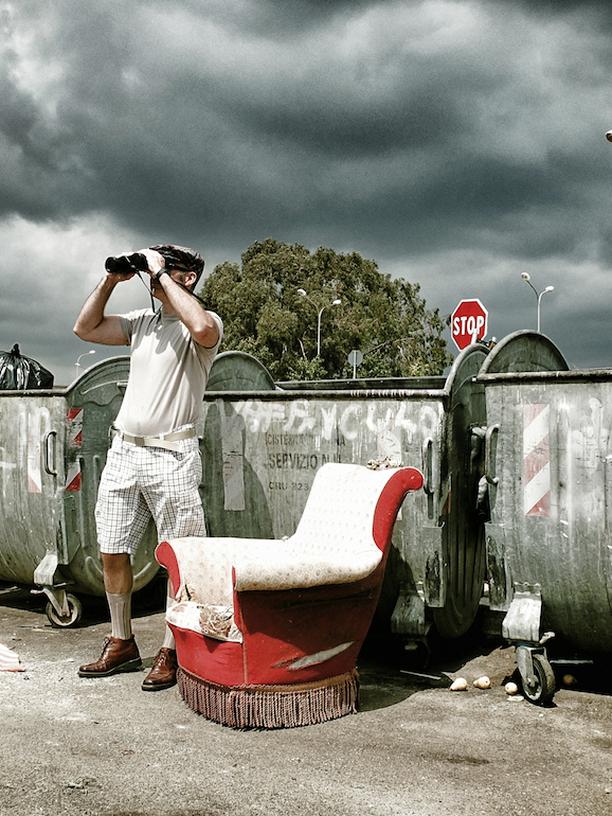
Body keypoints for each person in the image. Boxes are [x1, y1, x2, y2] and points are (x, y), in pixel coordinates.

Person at [73, 243, 222, 691]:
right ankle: (121, 642)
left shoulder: (206, 322)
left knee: (177, 558)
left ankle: (173, 649)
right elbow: (85, 328)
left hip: (172, 455)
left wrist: (158, 275)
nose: (151, 279)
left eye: (165, 269)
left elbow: (199, 326)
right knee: (112, 547)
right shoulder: (143, 324)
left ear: (187, 277)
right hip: (125, 452)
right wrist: (113, 279)